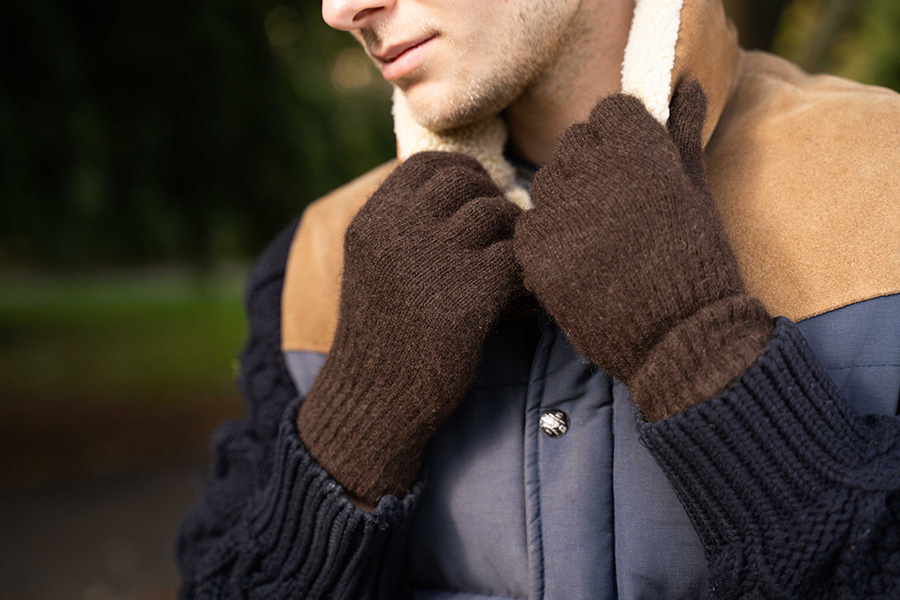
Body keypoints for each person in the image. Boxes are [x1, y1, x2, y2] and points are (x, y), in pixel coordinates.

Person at [175, 0, 900, 598]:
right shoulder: (307, 264)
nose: (340, 10)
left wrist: (698, 352)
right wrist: (353, 429)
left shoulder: (885, 178)